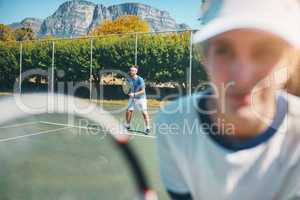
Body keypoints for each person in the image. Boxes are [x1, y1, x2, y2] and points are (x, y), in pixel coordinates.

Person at [155, 0, 300, 199]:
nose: (241, 77)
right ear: (206, 58)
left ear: (290, 63)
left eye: (265, 51)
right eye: (223, 50)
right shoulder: (171, 123)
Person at [125, 65, 150, 134]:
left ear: (136, 71)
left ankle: (147, 128)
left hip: (141, 98)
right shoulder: (129, 79)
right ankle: (127, 125)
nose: (131, 72)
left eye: (133, 70)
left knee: (144, 113)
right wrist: (129, 92)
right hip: (133, 97)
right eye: (131, 70)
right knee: (128, 111)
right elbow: (128, 88)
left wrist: (134, 94)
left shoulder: (140, 79)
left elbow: (143, 91)